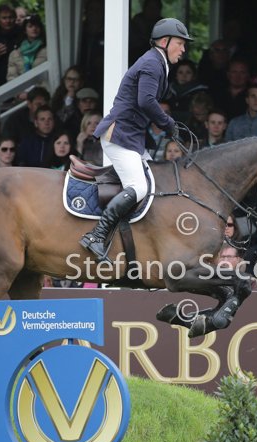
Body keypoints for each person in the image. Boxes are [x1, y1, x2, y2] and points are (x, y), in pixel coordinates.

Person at [79, 18, 190, 261]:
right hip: (120, 134)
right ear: (164, 41)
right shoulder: (152, 63)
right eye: (180, 43)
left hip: (131, 136)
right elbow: (145, 101)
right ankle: (97, 235)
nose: (183, 49)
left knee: (155, 182)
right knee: (139, 187)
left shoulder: (158, 63)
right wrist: (168, 123)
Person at [0, 4, 21, 90]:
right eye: (4, 18)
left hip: (20, 78)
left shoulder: (22, 35)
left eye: (10, 17)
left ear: (15, 18)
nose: (8, 21)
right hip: (0, 83)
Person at [6, 14, 47, 82]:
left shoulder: (48, 49)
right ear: (25, 30)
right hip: (21, 88)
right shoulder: (14, 54)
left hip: (43, 87)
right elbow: (11, 77)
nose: (34, 28)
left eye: (37, 26)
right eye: (30, 26)